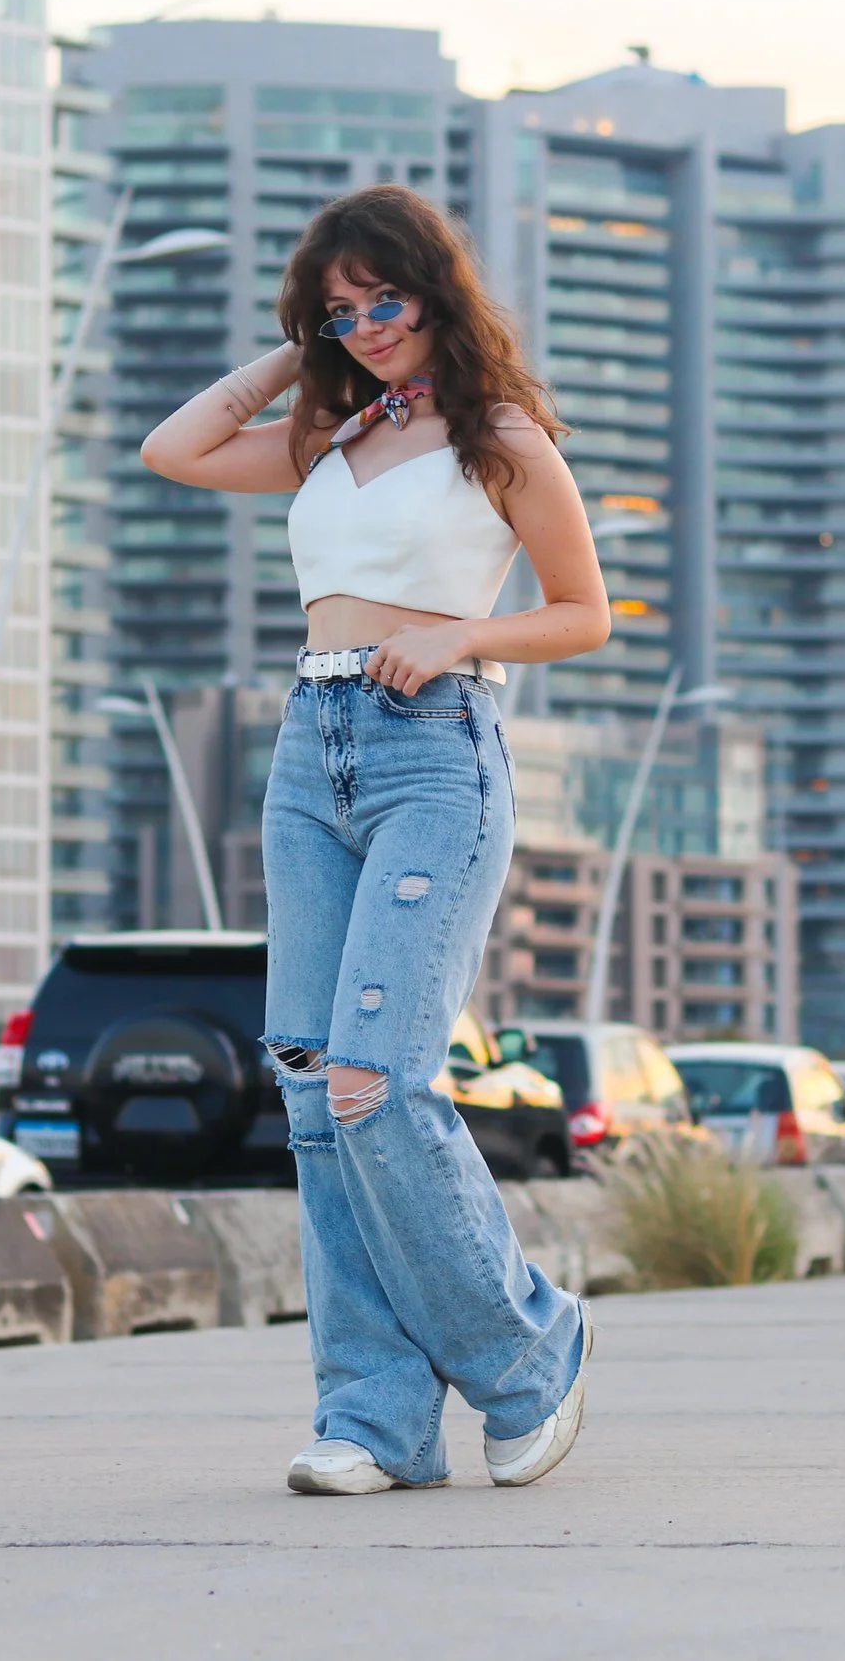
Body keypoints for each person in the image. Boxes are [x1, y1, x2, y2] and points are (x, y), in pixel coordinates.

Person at [140, 186, 611, 1494]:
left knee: (375, 1079)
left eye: (385, 299)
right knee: (308, 1091)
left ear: (437, 292)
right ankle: (376, 1413)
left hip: (432, 743)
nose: (370, 325)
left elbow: (583, 613)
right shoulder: (330, 434)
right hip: (310, 748)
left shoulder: (498, 435)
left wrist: (461, 632)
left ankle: (531, 1348)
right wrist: (308, 348)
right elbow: (172, 448)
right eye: (344, 308)